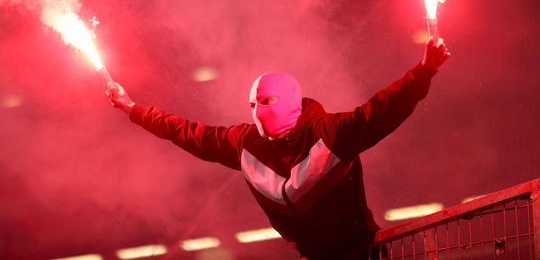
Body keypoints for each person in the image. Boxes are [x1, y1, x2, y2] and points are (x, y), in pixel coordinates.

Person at [106, 38, 450, 260]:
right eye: (252, 104)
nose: (257, 111)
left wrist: (424, 72)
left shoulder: (331, 133)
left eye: (266, 101)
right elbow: (185, 132)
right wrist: (132, 109)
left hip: (364, 254)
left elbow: (382, 110)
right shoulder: (244, 145)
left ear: (290, 101)